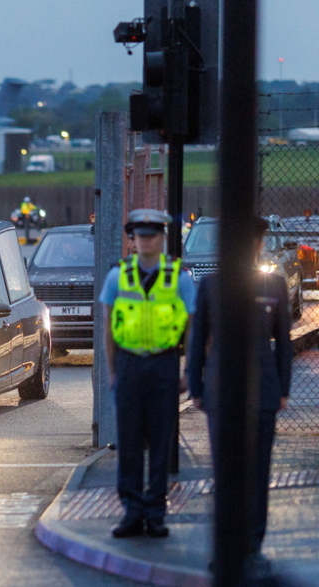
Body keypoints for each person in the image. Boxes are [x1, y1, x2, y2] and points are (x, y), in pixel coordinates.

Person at [187, 217, 292, 574]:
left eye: (254, 242)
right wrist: (196, 386)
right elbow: (198, 339)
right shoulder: (211, 285)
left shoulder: (274, 285)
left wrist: (283, 388)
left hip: (262, 391)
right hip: (220, 391)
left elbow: (283, 343)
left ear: (259, 246)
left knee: (258, 472)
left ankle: (252, 546)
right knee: (224, 472)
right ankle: (225, 546)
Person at [98, 208, 196, 539]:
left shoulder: (179, 277)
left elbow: (193, 328)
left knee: (160, 441)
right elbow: (108, 328)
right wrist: (113, 371)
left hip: (163, 363)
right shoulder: (117, 276)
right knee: (128, 441)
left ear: (162, 238)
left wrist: (188, 371)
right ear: (132, 240)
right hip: (128, 364)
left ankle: (155, 513)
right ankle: (132, 511)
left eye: (152, 236)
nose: (146, 242)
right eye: (140, 236)